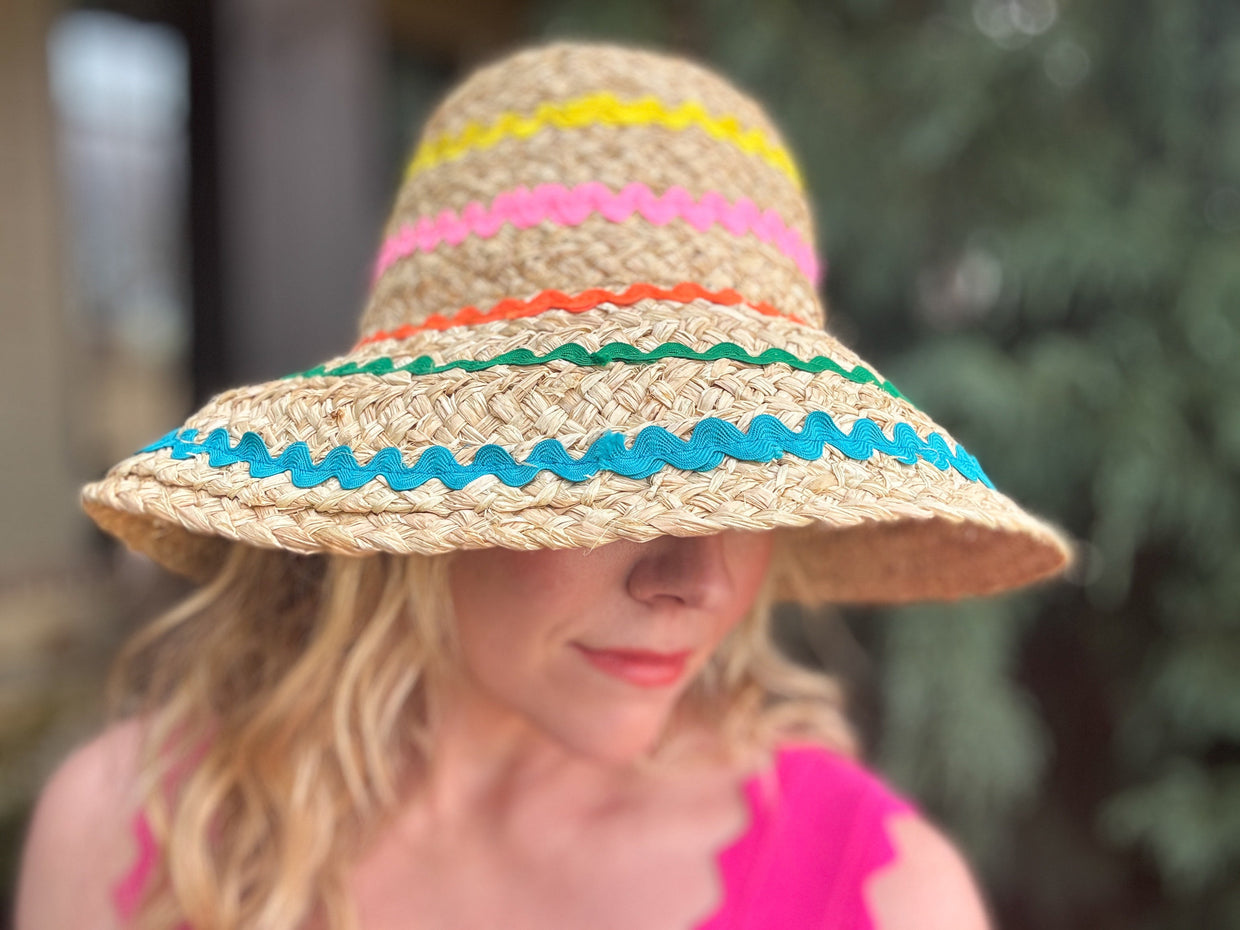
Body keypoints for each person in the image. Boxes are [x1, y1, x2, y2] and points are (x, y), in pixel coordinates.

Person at [16, 41, 1070, 930]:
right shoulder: (129, 835)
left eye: (748, 486)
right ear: (427, 489)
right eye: (621, 480)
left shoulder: (882, 897)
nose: (698, 580)